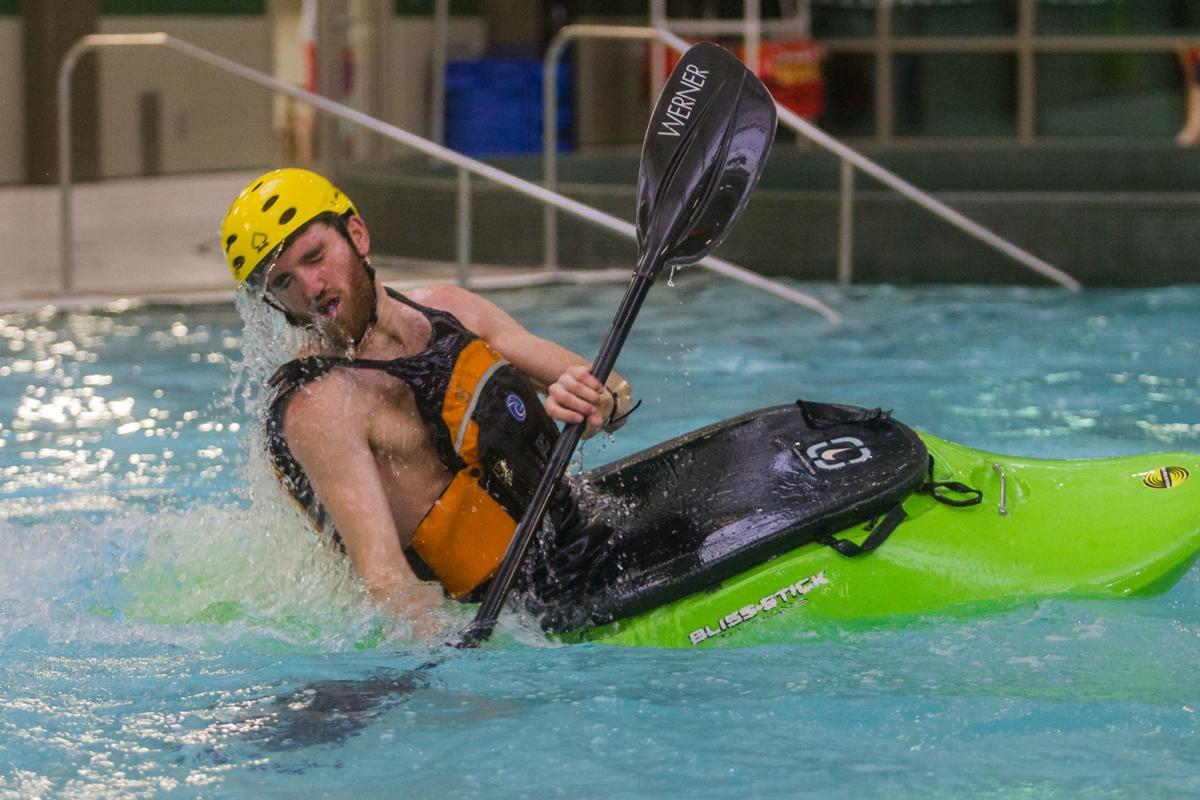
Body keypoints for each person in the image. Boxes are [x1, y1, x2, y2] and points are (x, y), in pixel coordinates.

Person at [220, 168, 634, 633]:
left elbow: (616, 389)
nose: (310, 288)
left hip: (584, 540)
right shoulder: (321, 406)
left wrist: (597, 403)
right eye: (283, 283)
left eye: (315, 257)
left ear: (356, 233)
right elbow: (384, 579)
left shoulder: (451, 310)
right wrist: (446, 660)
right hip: (517, 617)